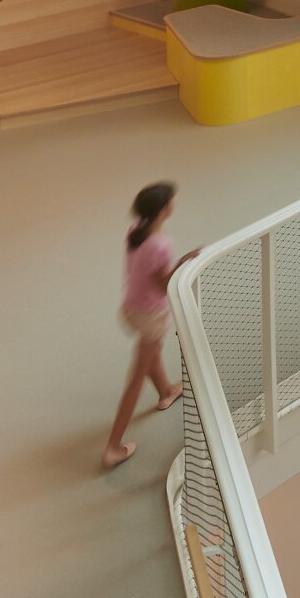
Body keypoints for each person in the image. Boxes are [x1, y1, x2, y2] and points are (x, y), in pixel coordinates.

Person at [102, 180, 192, 473]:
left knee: (151, 354)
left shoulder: (135, 232)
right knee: (135, 380)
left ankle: (166, 390)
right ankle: (113, 447)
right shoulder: (161, 246)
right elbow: (164, 283)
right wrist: (185, 262)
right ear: (165, 210)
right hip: (151, 315)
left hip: (131, 309)